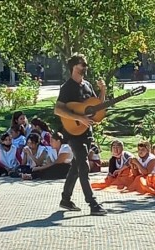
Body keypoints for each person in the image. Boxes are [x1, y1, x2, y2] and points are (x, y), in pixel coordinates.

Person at [53, 53, 107, 215]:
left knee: (76, 166)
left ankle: (65, 199)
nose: (85, 67)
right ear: (74, 67)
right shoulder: (67, 87)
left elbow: (97, 107)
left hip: (87, 132)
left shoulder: (87, 85)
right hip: (73, 132)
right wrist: (78, 118)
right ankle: (93, 204)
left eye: (86, 64)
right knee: (83, 165)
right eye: (82, 64)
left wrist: (103, 91)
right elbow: (58, 109)